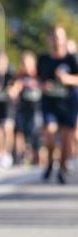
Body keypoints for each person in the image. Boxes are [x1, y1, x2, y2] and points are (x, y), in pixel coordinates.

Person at [38, 26, 78, 184]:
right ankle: (49, 162)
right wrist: (43, 85)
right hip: (50, 103)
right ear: (49, 40)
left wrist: (67, 79)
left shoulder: (71, 59)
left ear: (64, 38)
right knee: (50, 132)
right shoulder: (43, 59)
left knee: (67, 138)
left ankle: (61, 168)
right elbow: (37, 79)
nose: (57, 41)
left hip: (68, 104)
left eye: (60, 37)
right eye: (54, 37)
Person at [10, 51, 42, 166]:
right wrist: (15, 89)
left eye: (27, 63)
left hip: (37, 109)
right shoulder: (19, 77)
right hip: (23, 109)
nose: (25, 66)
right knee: (23, 133)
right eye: (23, 63)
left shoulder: (39, 75)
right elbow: (13, 90)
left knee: (36, 134)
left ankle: (38, 159)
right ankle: (23, 156)